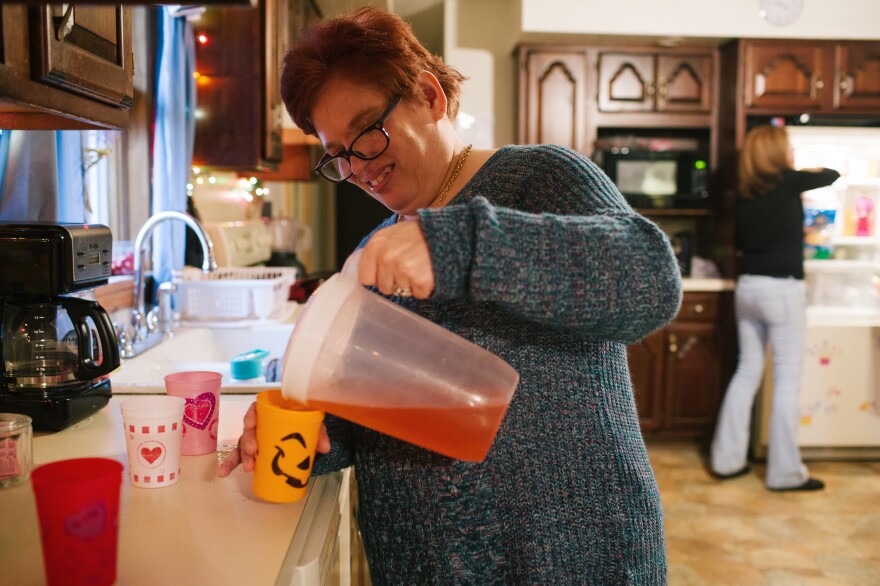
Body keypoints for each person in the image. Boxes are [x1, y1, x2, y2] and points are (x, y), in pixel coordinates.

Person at [219, 7, 682, 583]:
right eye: (338, 153)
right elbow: (382, 410)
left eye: (366, 133)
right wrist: (318, 437)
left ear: (430, 95)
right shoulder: (373, 257)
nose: (358, 167)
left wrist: (460, 243)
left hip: (571, 558)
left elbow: (649, 282)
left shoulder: (540, 180)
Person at [710, 124, 839, 492]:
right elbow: (832, 175)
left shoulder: (746, 194)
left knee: (747, 370)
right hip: (781, 291)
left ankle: (726, 459)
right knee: (786, 379)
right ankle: (784, 473)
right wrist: (797, 169)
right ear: (777, 153)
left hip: (748, 288)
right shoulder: (788, 182)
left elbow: (737, 246)